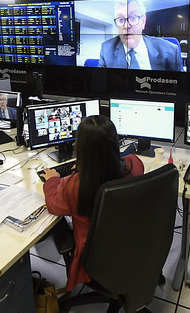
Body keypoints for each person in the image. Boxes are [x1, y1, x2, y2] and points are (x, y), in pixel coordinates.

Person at [39, 115, 144, 291]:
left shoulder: (73, 186)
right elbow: (112, 167)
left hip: (95, 259)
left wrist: (52, 180)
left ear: (81, 147)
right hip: (132, 246)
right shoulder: (135, 163)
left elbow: (53, 204)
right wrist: (85, 168)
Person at [98, 0, 182, 71]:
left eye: (133, 18)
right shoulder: (106, 50)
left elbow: (180, 83)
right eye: (120, 20)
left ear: (143, 21)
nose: (126, 26)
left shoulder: (170, 51)